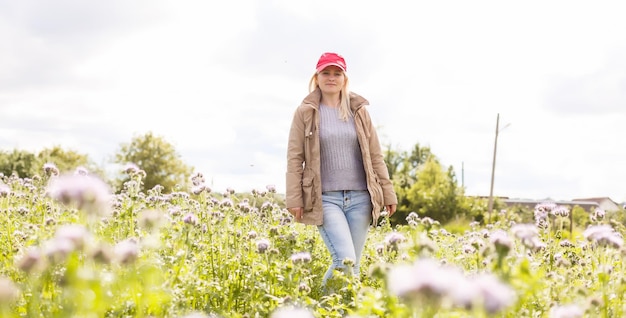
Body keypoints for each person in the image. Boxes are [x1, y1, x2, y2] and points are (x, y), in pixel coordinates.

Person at [285, 52, 398, 286]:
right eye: (326, 72)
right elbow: (295, 158)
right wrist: (294, 198)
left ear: (344, 79)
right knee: (344, 260)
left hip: (360, 198)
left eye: (337, 73)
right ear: (316, 77)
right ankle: (322, 308)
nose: (331, 78)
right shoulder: (305, 112)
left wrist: (388, 192)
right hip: (325, 199)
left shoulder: (359, 111)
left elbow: (375, 156)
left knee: (352, 267)